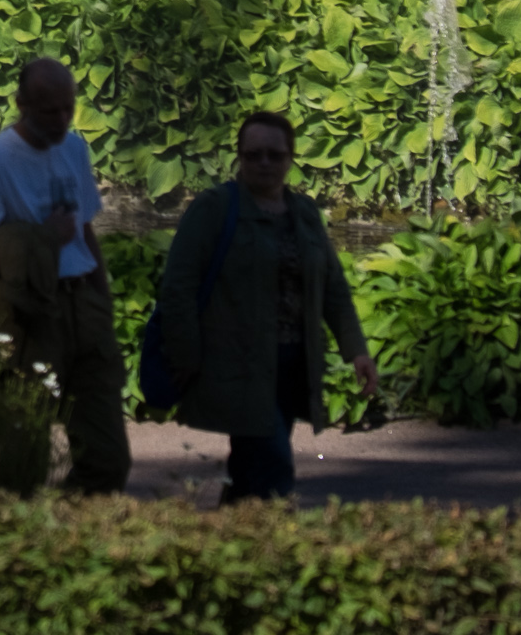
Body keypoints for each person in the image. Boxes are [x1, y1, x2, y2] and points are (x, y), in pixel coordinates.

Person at [157, 108, 378, 502]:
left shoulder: (304, 214)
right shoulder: (213, 209)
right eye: (253, 154)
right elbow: (178, 287)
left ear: (290, 158)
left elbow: (333, 287)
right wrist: (185, 355)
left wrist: (356, 350)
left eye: (275, 155)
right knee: (273, 463)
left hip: (294, 362)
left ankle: (234, 532)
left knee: (250, 466)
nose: (264, 163)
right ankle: (274, 532)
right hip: (237, 364)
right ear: (239, 156)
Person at [0, 57, 129, 495]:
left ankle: (73, 528)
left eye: (68, 108)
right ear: (22, 104)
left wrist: (102, 303)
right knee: (25, 459)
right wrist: (43, 239)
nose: (62, 119)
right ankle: (21, 530)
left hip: (82, 306)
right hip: (25, 314)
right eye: (50, 110)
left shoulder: (74, 149)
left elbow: (85, 232)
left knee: (107, 459)